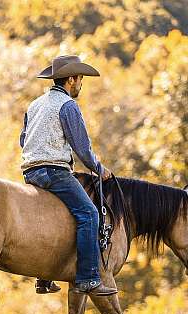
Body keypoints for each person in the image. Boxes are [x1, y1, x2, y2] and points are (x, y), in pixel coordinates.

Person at [20, 55, 116, 296]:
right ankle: (88, 278)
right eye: (80, 79)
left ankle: (43, 279)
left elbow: (23, 139)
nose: (81, 84)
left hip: (30, 172)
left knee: (53, 219)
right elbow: (82, 148)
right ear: (72, 79)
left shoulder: (35, 104)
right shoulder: (68, 106)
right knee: (89, 214)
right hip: (54, 172)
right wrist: (98, 168)